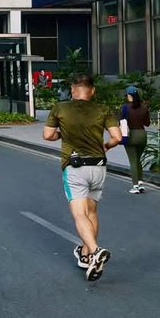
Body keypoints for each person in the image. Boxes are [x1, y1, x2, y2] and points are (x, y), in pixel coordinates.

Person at [43, 74, 122, 282]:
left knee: (79, 214)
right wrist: (107, 146)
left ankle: (95, 251)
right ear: (92, 90)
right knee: (92, 211)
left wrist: (63, 134)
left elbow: (47, 135)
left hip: (75, 167)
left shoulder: (60, 108)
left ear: (72, 89)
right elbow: (118, 137)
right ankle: (86, 255)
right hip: (99, 166)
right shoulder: (103, 109)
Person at [119, 85, 151, 194]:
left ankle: (135, 186)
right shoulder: (144, 107)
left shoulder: (125, 108)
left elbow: (122, 122)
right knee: (138, 159)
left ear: (129, 96)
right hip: (142, 135)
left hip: (131, 135)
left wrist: (123, 137)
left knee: (133, 161)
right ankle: (141, 183)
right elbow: (147, 123)